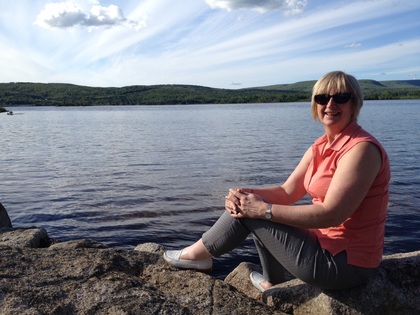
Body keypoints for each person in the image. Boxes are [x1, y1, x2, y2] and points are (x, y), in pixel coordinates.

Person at [163, 71, 390, 291]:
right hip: (325, 246)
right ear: (315, 104)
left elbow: (332, 214)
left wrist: (264, 209)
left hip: (345, 265)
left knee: (255, 214)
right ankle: (275, 284)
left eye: (340, 97)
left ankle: (197, 256)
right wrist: (244, 192)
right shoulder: (321, 146)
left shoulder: (361, 150)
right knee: (253, 206)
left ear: (355, 104)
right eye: (322, 98)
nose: (330, 104)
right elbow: (287, 191)